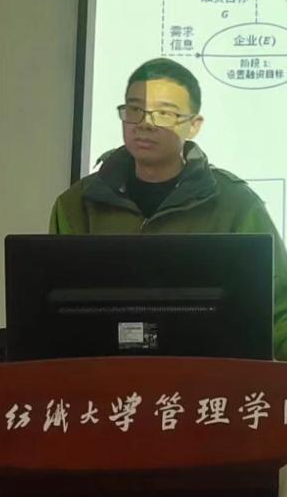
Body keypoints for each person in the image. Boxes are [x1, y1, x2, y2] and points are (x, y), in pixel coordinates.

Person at [49, 57, 287, 358]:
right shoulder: (77, 204)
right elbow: (53, 312)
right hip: (103, 377)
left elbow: (278, 312)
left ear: (193, 125)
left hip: (207, 377)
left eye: (164, 113)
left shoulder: (236, 205)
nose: (145, 124)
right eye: (134, 109)